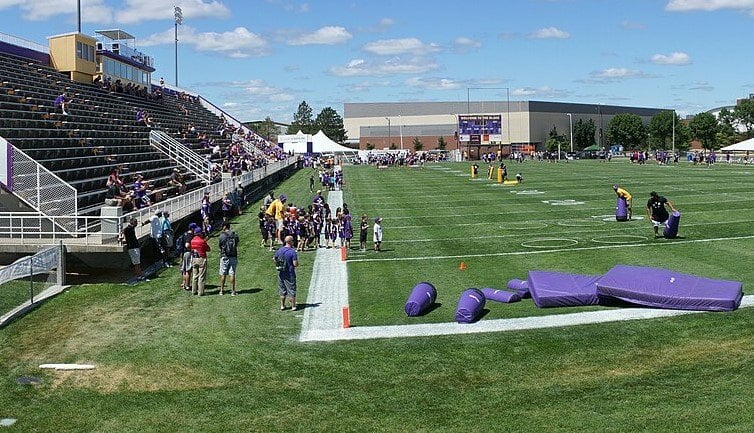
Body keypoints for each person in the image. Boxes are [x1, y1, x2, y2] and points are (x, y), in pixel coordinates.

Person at [274, 235, 299, 311]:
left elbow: (274, 259)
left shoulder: (280, 250)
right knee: (291, 289)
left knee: (282, 290)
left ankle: (282, 305)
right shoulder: (292, 252)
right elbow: (295, 264)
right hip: (290, 273)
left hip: (281, 273)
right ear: (290, 242)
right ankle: (293, 306)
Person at [218, 222, 239, 296]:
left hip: (224, 256)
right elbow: (236, 244)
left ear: (224, 227)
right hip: (233, 256)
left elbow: (220, 246)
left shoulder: (222, 236)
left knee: (223, 274)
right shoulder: (234, 234)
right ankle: (233, 291)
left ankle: (221, 290)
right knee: (232, 273)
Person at [190, 227, 210, 296]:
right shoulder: (202, 241)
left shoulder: (192, 241)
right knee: (201, 276)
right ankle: (200, 292)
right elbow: (208, 249)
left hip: (194, 258)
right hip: (201, 258)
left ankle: (193, 291)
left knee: (194, 275)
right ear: (199, 233)